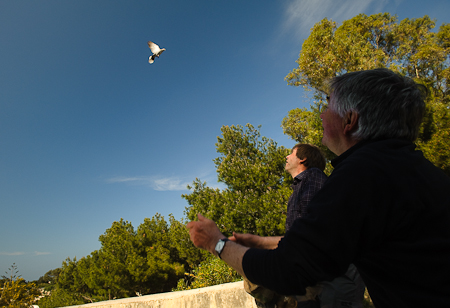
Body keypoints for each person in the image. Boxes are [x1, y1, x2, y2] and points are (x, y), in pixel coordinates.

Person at [187, 68, 450, 308]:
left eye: (327, 106)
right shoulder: (414, 170)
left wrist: (215, 243)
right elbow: (318, 239)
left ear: (350, 120)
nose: (322, 114)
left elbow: (291, 270)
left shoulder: (361, 174)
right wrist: (259, 242)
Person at [232, 144, 365, 308]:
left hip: (330, 272)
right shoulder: (299, 187)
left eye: (291, 153)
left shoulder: (313, 177)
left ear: (303, 159)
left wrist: (262, 243)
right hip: (313, 264)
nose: (286, 157)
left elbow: (310, 232)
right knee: (254, 269)